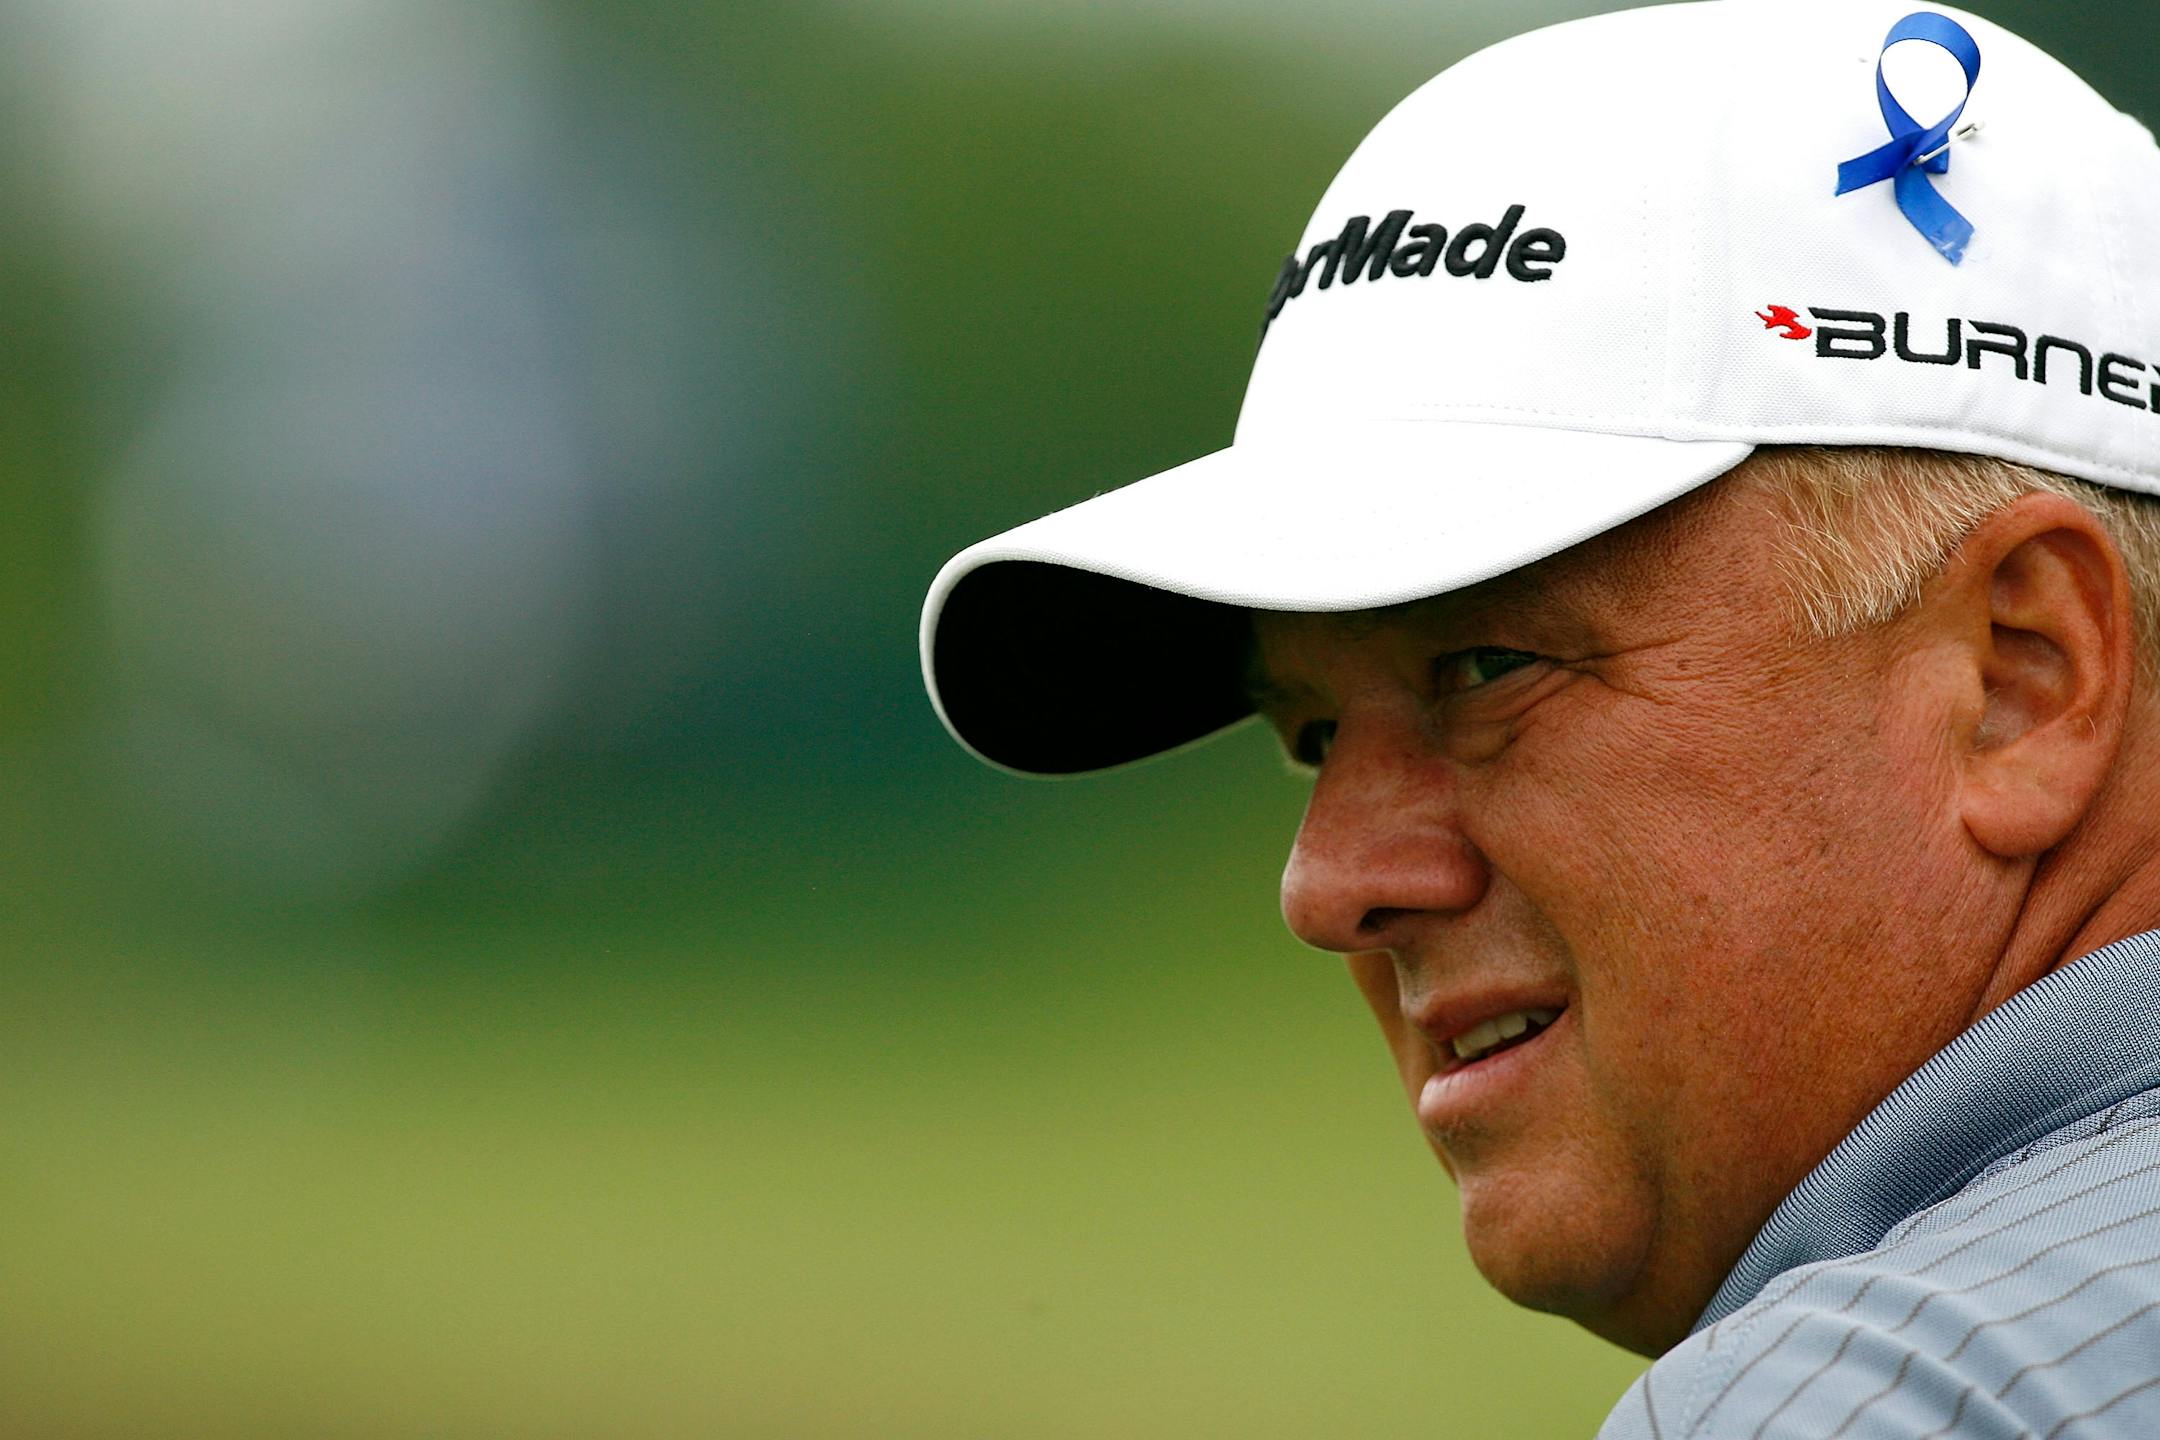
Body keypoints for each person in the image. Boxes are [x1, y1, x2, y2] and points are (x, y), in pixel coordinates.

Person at [919, 2, 2160, 1434]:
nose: (1329, 888)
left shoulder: (1858, 1402)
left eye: (1486, 668)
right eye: (1315, 734)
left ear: (2022, 677)